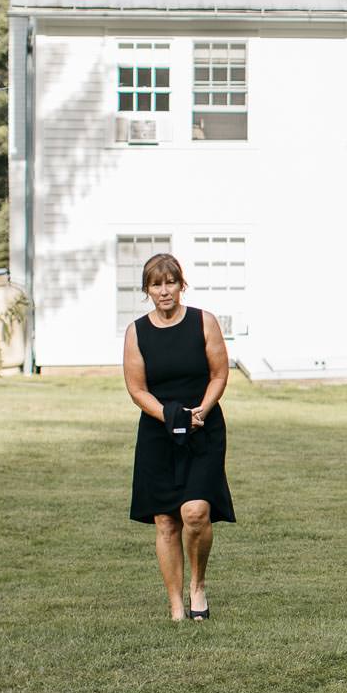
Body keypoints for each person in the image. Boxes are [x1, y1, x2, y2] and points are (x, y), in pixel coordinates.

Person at [122, 253, 234, 621]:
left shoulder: (205, 322)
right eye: (156, 284)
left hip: (204, 428)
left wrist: (201, 410)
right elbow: (137, 389)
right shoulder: (136, 332)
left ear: (181, 285)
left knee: (196, 512)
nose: (164, 290)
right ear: (147, 290)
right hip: (158, 434)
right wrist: (169, 417)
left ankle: (197, 586)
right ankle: (175, 605)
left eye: (170, 282)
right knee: (167, 521)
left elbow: (219, 374)